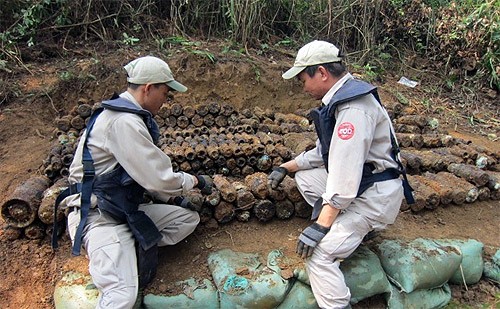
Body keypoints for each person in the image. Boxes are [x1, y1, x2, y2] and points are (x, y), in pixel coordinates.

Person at [53, 55, 212, 308]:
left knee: (186, 219)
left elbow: (139, 175)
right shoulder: (123, 121)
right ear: (148, 88)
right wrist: (193, 181)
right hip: (99, 216)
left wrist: (172, 198)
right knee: (122, 297)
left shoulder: (126, 114)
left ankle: (125, 246)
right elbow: (158, 179)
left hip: (121, 209)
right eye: (165, 92)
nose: (166, 100)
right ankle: (111, 251)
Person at [268, 40, 414, 309]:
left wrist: (320, 227)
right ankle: (346, 225)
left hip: (373, 196)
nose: (303, 87)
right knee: (305, 178)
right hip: (364, 184)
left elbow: (344, 177)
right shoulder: (342, 98)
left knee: (319, 255)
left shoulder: (353, 110)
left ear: (322, 73)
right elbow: (323, 153)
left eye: (303, 79)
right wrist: (286, 167)